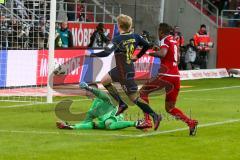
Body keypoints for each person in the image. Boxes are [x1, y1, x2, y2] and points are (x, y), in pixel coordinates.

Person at [89, 14, 162, 130]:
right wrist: (137, 57)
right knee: (105, 80)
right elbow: (147, 45)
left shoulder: (117, 39)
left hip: (123, 72)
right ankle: (121, 103)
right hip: (124, 68)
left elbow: (106, 53)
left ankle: (155, 115)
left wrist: (92, 54)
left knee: (134, 98)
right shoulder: (135, 37)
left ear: (119, 26)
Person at [139, 23, 198, 136]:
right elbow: (176, 58)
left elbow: (163, 54)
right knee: (170, 108)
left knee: (143, 92)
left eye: (158, 31)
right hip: (176, 77)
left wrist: (149, 53)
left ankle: (147, 120)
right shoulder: (174, 41)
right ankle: (190, 123)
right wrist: (158, 50)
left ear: (161, 32)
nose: (158, 34)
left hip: (165, 75)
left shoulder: (165, 39)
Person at [56, 82, 145, 130]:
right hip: (105, 122)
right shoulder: (94, 105)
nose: (87, 94)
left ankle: (136, 123)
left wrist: (88, 88)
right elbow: (87, 121)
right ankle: (70, 127)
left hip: (115, 116)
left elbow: (101, 95)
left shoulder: (105, 97)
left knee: (108, 123)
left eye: (88, 92)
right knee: (92, 124)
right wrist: (75, 126)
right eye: (86, 92)